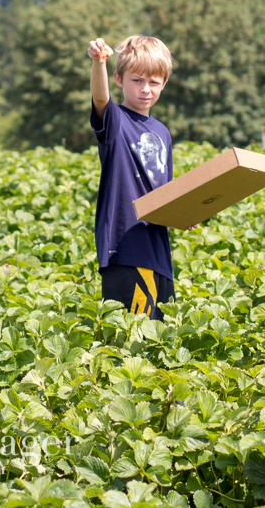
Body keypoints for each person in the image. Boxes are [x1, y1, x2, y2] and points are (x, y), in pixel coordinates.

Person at [88, 34, 175, 320]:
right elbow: (100, 98)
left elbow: (165, 193)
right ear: (118, 79)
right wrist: (98, 63)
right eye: (137, 80)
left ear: (163, 83)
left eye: (154, 82)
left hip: (158, 254)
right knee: (131, 342)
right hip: (126, 249)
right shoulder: (115, 120)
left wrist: (184, 212)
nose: (146, 89)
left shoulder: (162, 133)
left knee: (159, 336)